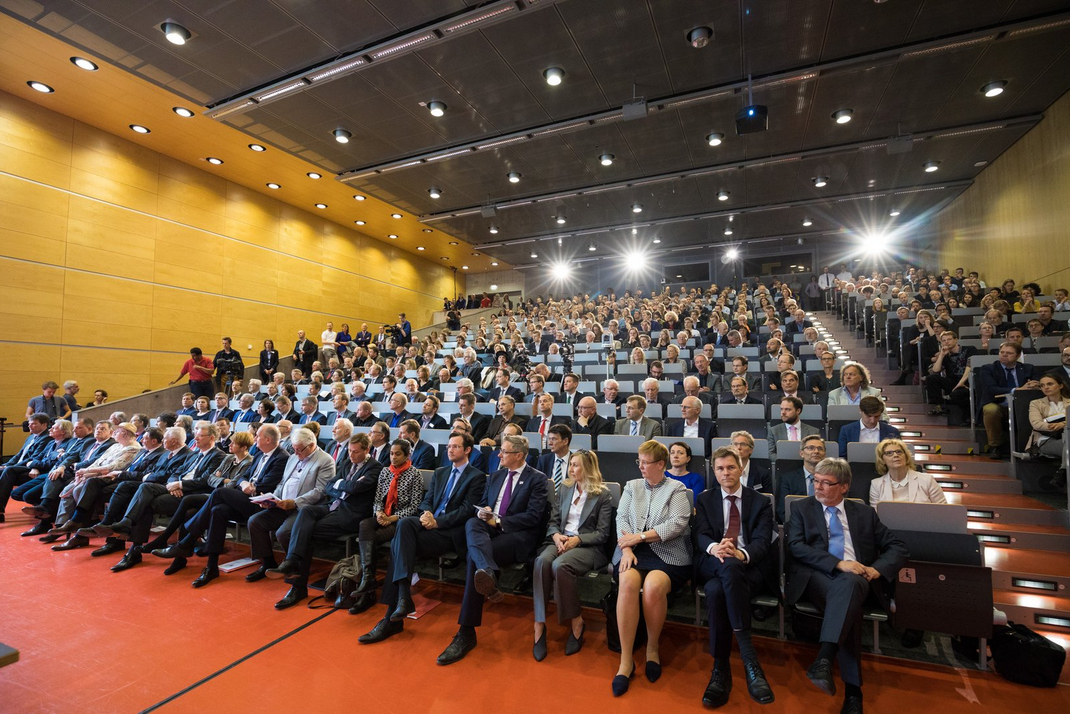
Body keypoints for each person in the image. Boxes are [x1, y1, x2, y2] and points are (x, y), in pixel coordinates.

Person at [786, 458, 908, 714]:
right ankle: (852, 691)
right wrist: (838, 564)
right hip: (817, 577)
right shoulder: (801, 508)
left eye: (826, 483)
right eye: (816, 481)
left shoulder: (863, 513)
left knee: (850, 586)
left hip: (859, 579)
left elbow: (897, 547)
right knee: (849, 600)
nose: (817, 487)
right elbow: (796, 547)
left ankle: (825, 661)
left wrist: (877, 569)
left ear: (844, 487)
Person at [149, 425, 315, 587]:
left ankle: (186, 543)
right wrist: (244, 484)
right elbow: (244, 477)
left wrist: (250, 486)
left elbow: (267, 485)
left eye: (258, 436)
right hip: (246, 496)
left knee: (219, 493)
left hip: (261, 503)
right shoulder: (259, 454)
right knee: (217, 510)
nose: (255, 439)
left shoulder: (282, 457)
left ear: (268, 439)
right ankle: (211, 566)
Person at [359, 432, 486, 642]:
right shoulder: (441, 472)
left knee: (400, 544)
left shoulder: (476, 476)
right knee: (406, 524)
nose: (450, 450)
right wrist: (427, 513)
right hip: (428, 524)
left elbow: (466, 510)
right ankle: (401, 600)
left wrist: (438, 522)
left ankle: (394, 615)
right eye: (449, 446)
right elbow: (427, 501)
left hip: (449, 532)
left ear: (467, 450)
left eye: (455, 446)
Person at [436, 435, 548, 665]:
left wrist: (498, 522)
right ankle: (488, 571)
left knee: (472, 557)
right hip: (489, 530)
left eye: (504, 452)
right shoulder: (496, 476)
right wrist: (483, 512)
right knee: (471, 523)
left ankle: (466, 632)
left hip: (516, 535)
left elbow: (534, 517)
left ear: (518, 455)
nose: (498, 455)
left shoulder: (537, 479)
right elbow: (485, 503)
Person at [611, 440, 692, 697]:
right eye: (639, 462)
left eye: (646, 463)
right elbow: (621, 519)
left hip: (667, 554)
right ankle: (626, 660)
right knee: (627, 583)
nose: (641, 467)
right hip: (632, 552)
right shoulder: (632, 486)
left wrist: (640, 537)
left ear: (661, 464)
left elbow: (676, 524)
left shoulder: (677, 488)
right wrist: (626, 548)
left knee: (653, 587)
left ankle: (652, 649)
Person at [697, 446, 776, 708]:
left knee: (717, 591)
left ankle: (720, 670)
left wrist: (740, 554)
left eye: (731, 467)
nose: (725, 472)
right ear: (714, 472)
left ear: (741, 469)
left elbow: (764, 542)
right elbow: (700, 535)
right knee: (726, 567)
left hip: (749, 568)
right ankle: (748, 656)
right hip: (713, 562)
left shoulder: (761, 501)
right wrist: (715, 548)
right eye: (720, 468)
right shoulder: (705, 499)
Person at [266, 432, 380, 609]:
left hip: (349, 515)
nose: (351, 455)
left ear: (367, 450)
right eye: (350, 451)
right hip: (332, 506)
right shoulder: (347, 463)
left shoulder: (374, 467)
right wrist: (342, 487)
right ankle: (292, 563)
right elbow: (329, 487)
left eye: (356, 452)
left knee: (306, 533)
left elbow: (357, 487)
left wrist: (340, 485)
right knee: (307, 512)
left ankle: (296, 582)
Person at [136, 430, 255, 575]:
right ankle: (180, 556)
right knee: (189, 511)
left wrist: (221, 479)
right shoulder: (229, 459)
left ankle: (168, 540)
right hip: (214, 495)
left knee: (189, 499)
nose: (229, 444)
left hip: (224, 498)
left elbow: (231, 486)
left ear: (243, 447)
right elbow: (211, 479)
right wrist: (223, 480)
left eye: (234, 443)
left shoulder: (249, 462)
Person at [531, 449, 613, 660]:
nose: (572, 469)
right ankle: (539, 624)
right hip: (562, 540)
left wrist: (578, 540)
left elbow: (603, 534)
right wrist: (556, 536)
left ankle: (576, 620)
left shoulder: (602, 494)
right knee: (541, 562)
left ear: (588, 467)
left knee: (560, 566)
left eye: (576, 465)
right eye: (571, 465)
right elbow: (553, 522)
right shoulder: (565, 489)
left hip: (588, 547)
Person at [348, 438, 424, 613]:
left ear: (406, 456)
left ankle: (367, 586)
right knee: (365, 524)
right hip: (385, 515)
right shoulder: (385, 472)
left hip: (401, 521)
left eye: (398, 454)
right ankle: (368, 579)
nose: (393, 457)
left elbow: (414, 507)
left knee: (370, 538)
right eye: (391, 453)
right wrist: (379, 513)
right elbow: (377, 499)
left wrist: (392, 518)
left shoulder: (414, 474)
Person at [977, 342, 1040, 458]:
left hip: (1022, 404)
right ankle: (995, 446)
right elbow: (991, 389)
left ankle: (1033, 446)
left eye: (1009, 353)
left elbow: (1036, 385)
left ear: (1017, 355)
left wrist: (1034, 385)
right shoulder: (988, 369)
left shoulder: (1028, 368)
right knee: (990, 410)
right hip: (999, 403)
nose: (1004, 355)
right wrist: (1018, 389)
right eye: (1002, 352)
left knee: (1037, 408)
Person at [1024, 373, 1070, 488]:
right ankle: (1063, 472)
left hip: (1066, 438)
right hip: (1046, 440)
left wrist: (1063, 424)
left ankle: (1062, 472)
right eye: (1042, 385)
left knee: (1068, 441)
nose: (1046, 387)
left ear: (1060, 386)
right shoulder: (1036, 403)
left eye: (1050, 384)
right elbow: (1036, 424)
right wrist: (1057, 425)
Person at [869, 439, 947, 506]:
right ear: (882, 460)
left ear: (906, 457)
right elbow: (876, 516)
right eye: (889, 453)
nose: (896, 455)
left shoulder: (927, 480)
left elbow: (943, 510)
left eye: (899, 452)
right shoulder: (876, 485)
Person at [774, 435, 826, 522]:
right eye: (811, 448)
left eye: (820, 449)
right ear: (801, 453)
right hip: (796, 525)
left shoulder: (832, 479)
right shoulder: (788, 478)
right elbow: (782, 511)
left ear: (824, 454)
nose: (816, 451)